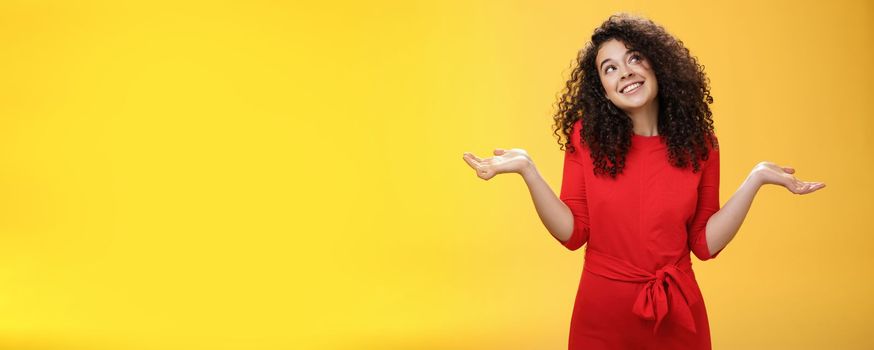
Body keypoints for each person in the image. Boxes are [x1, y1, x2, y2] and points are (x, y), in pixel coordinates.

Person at [461, 13, 825, 350]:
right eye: (610, 68)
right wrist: (528, 170)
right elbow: (573, 234)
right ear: (602, 88)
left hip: (678, 315)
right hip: (600, 316)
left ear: (657, 63)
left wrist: (756, 178)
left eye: (634, 58)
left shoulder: (701, 144)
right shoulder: (585, 137)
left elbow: (703, 244)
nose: (625, 73)